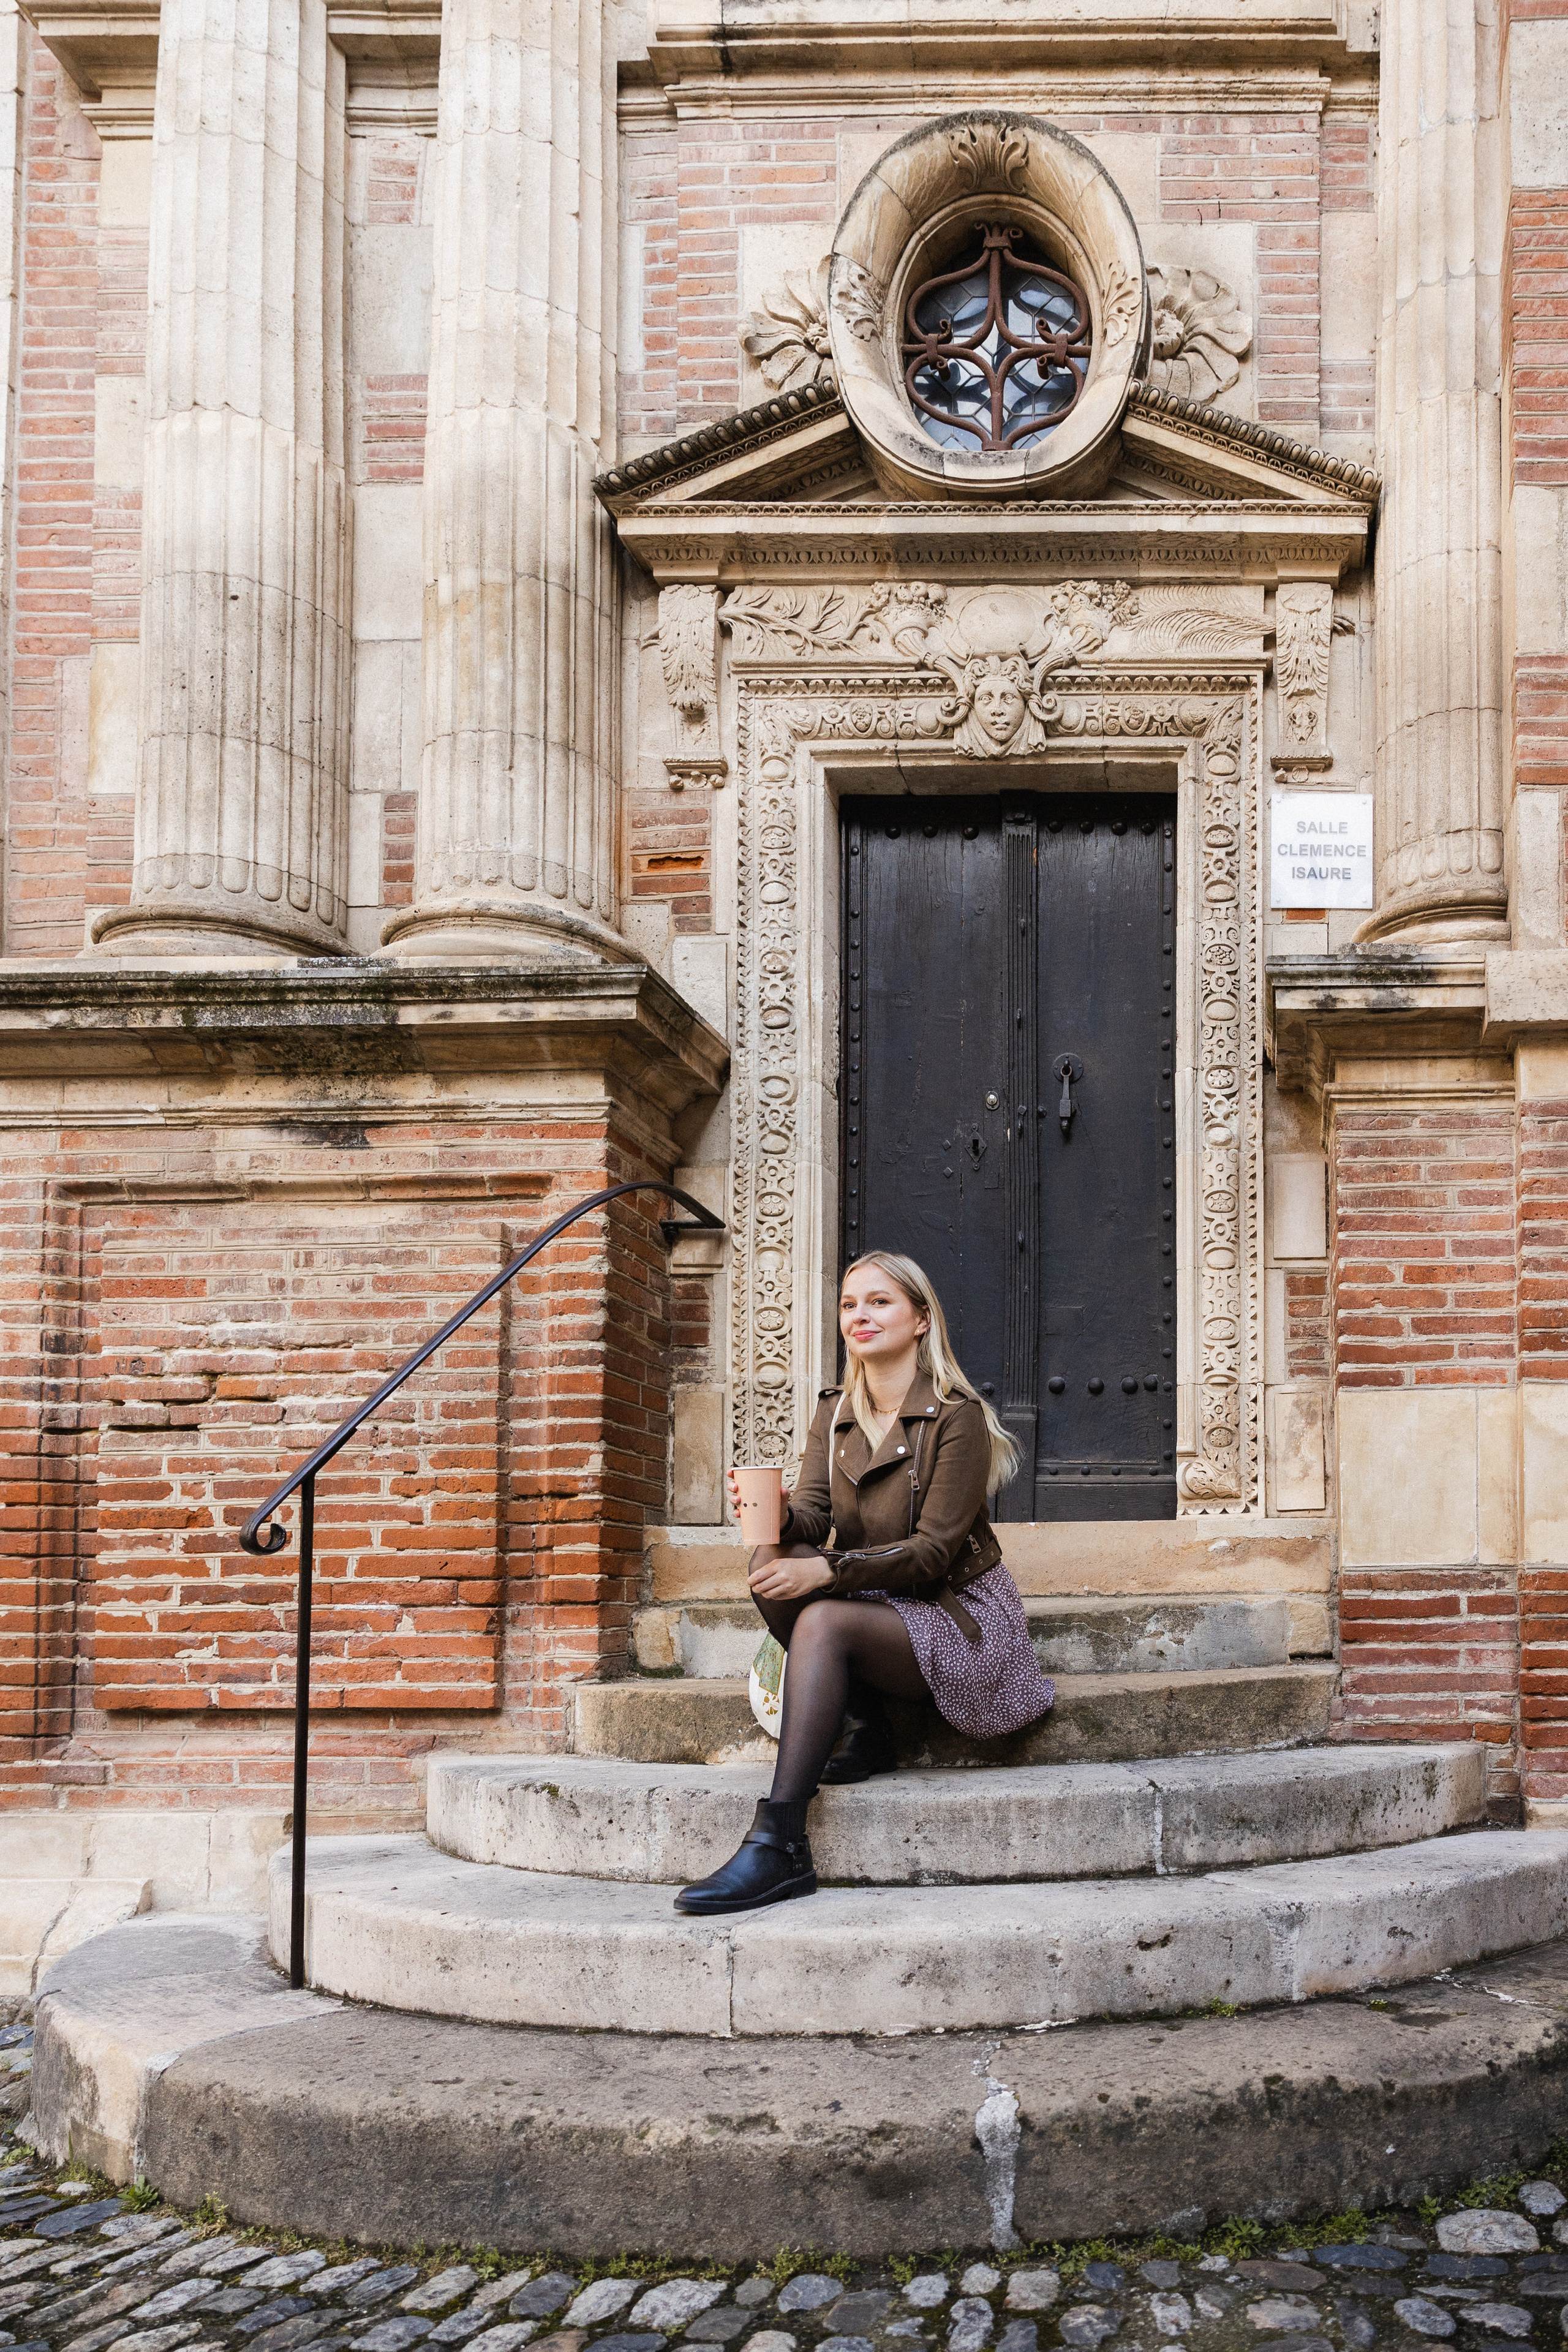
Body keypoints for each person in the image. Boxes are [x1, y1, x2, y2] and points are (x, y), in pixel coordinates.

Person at [674, 1251, 1055, 1916]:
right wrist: (778, 1513)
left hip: (956, 1614)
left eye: (880, 1302)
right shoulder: (836, 1410)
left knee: (821, 1616)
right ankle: (869, 1724)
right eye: (850, 1304)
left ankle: (780, 1841)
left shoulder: (957, 1415)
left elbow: (932, 1555)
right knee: (769, 1561)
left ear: (920, 1320)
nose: (860, 1315)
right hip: (879, 1599)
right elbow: (815, 1516)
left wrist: (828, 1570)